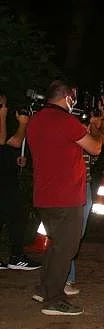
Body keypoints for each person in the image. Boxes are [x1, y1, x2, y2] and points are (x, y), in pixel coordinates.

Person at [26, 80, 104, 316]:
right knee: (66, 248)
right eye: (73, 97)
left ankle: (44, 288)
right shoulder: (66, 122)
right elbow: (95, 147)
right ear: (66, 97)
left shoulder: (36, 120)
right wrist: (95, 127)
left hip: (44, 195)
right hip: (66, 196)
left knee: (55, 245)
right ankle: (54, 300)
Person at [65, 96, 104, 295]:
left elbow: (102, 140)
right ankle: (62, 281)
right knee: (68, 235)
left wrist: (101, 118)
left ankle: (66, 278)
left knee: (74, 235)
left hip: (83, 184)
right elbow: (96, 143)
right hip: (70, 186)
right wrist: (93, 124)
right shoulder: (68, 123)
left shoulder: (84, 124)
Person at [0, 94, 41, 271]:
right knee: (17, 216)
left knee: (6, 216)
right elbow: (5, 141)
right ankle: (16, 256)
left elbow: (8, 146)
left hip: (7, 177)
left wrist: (15, 158)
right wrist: (23, 123)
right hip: (4, 181)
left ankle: (15, 255)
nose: (5, 108)